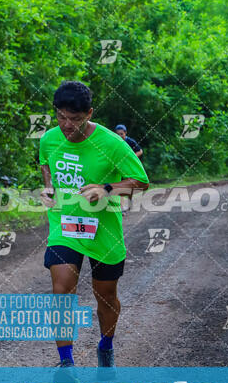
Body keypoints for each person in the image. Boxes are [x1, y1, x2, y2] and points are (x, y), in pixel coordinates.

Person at [39, 81, 149, 368]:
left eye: (74, 119)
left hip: (104, 230)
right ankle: (66, 364)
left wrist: (107, 188)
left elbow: (141, 182)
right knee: (61, 290)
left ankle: (106, 346)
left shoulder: (112, 143)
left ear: (89, 113)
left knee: (106, 295)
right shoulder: (49, 139)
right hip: (64, 225)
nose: (67, 125)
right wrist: (49, 187)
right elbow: (45, 163)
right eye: (61, 117)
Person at [114, 124, 143, 214]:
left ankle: (130, 202)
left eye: (121, 134)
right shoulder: (114, 141)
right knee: (121, 187)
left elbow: (140, 151)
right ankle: (121, 208)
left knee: (129, 186)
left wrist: (131, 158)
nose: (120, 136)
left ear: (125, 133)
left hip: (129, 167)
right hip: (119, 167)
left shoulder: (130, 141)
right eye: (118, 134)